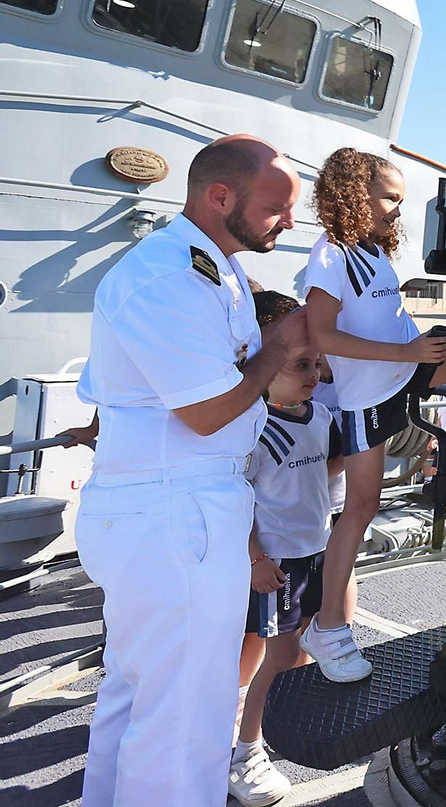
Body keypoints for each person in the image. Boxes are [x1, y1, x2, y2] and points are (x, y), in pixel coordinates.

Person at [69, 135, 308, 807]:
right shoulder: (168, 275)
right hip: (174, 510)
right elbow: (206, 411)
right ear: (220, 197)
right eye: (274, 208)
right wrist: (278, 349)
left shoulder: (212, 268)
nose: (287, 223)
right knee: (185, 715)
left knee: (139, 690)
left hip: (175, 506)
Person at [299, 148, 446, 683]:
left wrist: (422, 345)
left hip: (404, 372)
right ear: (352, 194)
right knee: (360, 508)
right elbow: (321, 335)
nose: (396, 210)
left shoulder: (372, 253)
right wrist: (408, 355)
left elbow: (384, 322)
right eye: (389, 198)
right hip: (369, 396)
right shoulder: (332, 254)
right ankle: (328, 629)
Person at [230, 292, 341, 806]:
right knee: (279, 657)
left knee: (282, 651)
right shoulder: (253, 430)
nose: (314, 373)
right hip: (278, 562)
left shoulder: (318, 417)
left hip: (316, 553)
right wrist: (255, 558)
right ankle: (245, 752)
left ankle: (248, 724)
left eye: (316, 364)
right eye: (301, 365)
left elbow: (321, 473)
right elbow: (239, 501)